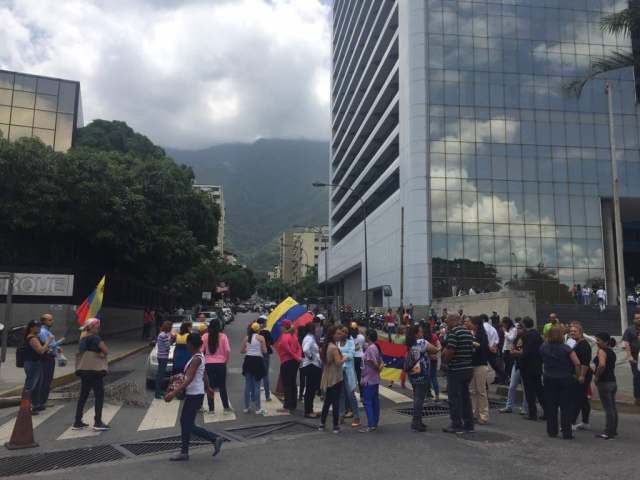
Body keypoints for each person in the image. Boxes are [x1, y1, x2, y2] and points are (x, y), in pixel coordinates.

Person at [164, 333, 223, 461]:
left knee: (187, 424)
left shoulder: (196, 358)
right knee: (186, 422)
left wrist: (173, 393)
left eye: (187, 343)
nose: (186, 345)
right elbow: (204, 374)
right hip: (196, 394)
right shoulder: (198, 356)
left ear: (191, 344)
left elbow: (190, 378)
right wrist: (208, 388)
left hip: (194, 395)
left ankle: (214, 438)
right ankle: (185, 452)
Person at [540, 326, 582, 439]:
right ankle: (566, 432)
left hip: (549, 378)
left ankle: (552, 431)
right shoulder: (566, 348)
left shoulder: (544, 347)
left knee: (551, 406)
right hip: (565, 378)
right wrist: (577, 375)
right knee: (565, 407)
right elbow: (577, 363)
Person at [73, 318, 110, 431]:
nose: (98, 329)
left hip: (84, 370)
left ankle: (77, 421)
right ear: (91, 327)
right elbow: (106, 350)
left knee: (83, 395)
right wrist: (101, 354)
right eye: (97, 326)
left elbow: (81, 352)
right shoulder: (96, 338)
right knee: (99, 395)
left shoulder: (82, 338)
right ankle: (97, 422)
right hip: (95, 371)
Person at [442, 313, 474, 433]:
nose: (446, 323)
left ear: (453, 320)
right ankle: (468, 423)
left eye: (448, 321)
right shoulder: (467, 332)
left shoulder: (453, 333)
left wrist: (445, 362)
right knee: (466, 397)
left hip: (456, 370)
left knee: (454, 397)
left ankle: (456, 424)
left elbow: (450, 351)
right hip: (468, 369)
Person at [405, 324, 439, 431]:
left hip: (413, 374)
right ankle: (416, 422)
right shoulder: (422, 342)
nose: (422, 333)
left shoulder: (411, 344)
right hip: (422, 374)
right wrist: (439, 346)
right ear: (416, 334)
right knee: (419, 399)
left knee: (417, 397)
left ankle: (417, 420)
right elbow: (434, 350)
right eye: (420, 331)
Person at [318, 326, 346, 433]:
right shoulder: (333, 348)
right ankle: (335, 425)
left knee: (327, 401)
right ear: (332, 335)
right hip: (335, 377)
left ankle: (322, 423)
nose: (340, 335)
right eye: (338, 334)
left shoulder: (326, 346)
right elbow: (338, 363)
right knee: (335, 402)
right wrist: (345, 358)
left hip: (328, 376)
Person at [201, 319, 232, 414]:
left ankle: (211, 409)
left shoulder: (205, 336)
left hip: (208, 364)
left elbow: (201, 350)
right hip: (221, 364)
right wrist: (225, 360)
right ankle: (226, 408)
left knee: (210, 387)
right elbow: (227, 350)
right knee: (222, 386)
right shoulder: (223, 336)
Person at [36, 313, 64, 411]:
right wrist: (59, 342)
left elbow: (51, 345)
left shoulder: (47, 331)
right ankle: (41, 402)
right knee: (45, 381)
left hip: (50, 358)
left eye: (52, 319)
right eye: (49, 320)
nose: (52, 321)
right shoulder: (43, 332)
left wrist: (58, 347)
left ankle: (43, 401)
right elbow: (47, 345)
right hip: (46, 358)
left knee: (47, 380)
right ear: (43, 321)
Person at [519, 316, 545, 421]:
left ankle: (532, 413)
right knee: (539, 390)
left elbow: (526, 352)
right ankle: (547, 411)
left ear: (524, 325)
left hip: (528, 367)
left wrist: (518, 353)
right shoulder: (537, 335)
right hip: (537, 366)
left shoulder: (527, 336)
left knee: (530, 391)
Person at [22, 320, 50, 414]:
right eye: (36, 326)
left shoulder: (35, 337)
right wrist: (48, 341)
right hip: (32, 364)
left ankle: (36, 405)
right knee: (30, 386)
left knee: (37, 385)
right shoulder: (32, 338)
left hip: (36, 363)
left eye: (39, 326)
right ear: (31, 328)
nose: (38, 328)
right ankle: (26, 407)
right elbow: (40, 351)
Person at [500, 321, 529, 415]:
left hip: (524, 365)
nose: (517, 330)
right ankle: (509, 406)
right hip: (516, 363)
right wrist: (514, 351)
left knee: (525, 388)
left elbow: (525, 352)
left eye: (519, 328)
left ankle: (525, 408)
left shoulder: (527, 338)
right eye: (517, 328)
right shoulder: (516, 338)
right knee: (512, 386)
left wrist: (516, 352)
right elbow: (512, 348)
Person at [593, 332, 618, 439]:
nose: (597, 343)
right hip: (612, 381)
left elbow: (602, 365)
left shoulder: (602, 351)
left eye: (599, 341)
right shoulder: (611, 352)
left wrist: (597, 376)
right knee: (612, 407)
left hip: (604, 382)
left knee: (608, 408)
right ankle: (613, 429)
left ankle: (608, 432)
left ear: (606, 342)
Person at [274, 320, 302, 413]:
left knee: (287, 384)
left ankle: (287, 406)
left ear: (285, 327)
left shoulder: (285, 337)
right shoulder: (293, 335)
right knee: (292, 383)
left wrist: (295, 356)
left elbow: (288, 350)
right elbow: (299, 348)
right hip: (294, 362)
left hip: (287, 361)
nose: (280, 327)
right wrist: (298, 356)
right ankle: (293, 404)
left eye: (281, 326)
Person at [569, 322, 592, 431]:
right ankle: (585, 422)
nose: (572, 333)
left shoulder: (584, 345)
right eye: (571, 331)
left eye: (575, 331)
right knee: (583, 399)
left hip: (582, 375)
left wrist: (581, 376)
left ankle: (571, 422)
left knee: (577, 398)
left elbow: (585, 363)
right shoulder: (576, 343)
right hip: (577, 374)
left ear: (581, 333)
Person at [240, 322, 267, 415]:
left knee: (247, 385)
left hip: (248, 360)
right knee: (257, 385)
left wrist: (249, 349)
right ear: (258, 329)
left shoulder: (247, 338)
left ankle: (246, 407)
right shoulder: (261, 338)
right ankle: (258, 408)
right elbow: (265, 351)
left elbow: (242, 351)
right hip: (257, 361)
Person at [359, 329, 382, 433]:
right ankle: (374, 423)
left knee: (368, 402)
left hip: (369, 379)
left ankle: (371, 424)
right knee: (374, 401)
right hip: (373, 378)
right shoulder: (374, 347)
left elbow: (374, 363)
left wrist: (378, 368)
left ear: (368, 337)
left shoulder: (371, 349)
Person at [337, 325, 361, 427]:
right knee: (341, 395)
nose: (344, 334)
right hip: (339, 371)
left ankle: (356, 417)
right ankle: (341, 416)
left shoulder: (351, 343)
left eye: (346, 332)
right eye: (342, 331)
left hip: (348, 372)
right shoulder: (337, 343)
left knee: (351, 394)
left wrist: (342, 358)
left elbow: (351, 355)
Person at [468, 316, 490, 425]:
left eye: (470, 322)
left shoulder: (482, 334)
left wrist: (472, 342)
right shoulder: (472, 333)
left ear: (476, 324)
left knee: (481, 391)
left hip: (480, 365)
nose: (469, 324)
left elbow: (483, 348)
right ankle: (474, 414)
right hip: (471, 364)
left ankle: (483, 416)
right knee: (472, 391)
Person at [301, 322, 322, 418]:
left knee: (311, 389)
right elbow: (305, 349)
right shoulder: (309, 338)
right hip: (311, 366)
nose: (317, 329)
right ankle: (308, 411)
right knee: (310, 389)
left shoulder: (310, 337)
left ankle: (310, 410)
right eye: (315, 328)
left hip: (312, 365)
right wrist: (311, 357)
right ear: (312, 329)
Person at [621, 313, 640, 406]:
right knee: (637, 376)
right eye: (636, 318)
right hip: (635, 357)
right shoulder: (630, 330)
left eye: (639, 318)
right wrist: (629, 356)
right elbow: (626, 343)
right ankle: (637, 397)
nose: (638, 320)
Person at [482, 314, 504, 384]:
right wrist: (494, 346)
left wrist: (489, 346)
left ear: (482, 319)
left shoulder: (483, 327)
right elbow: (497, 339)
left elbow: (485, 338)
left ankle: (485, 383)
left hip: (486, 349)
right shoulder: (492, 328)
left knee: (483, 366)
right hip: (493, 349)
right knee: (495, 365)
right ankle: (503, 378)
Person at [423, 322, 441, 401]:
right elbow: (440, 346)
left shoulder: (422, 338)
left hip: (425, 360)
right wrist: (435, 352)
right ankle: (437, 395)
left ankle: (428, 394)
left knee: (426, 377)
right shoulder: (434, 336)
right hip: (434, 359)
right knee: (434, 377)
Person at [257, 316, 273, 402]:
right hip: (265, 354)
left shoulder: (254, 333)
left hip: (257, 355)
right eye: (266, 321)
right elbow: (272, 342)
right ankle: (267, 396)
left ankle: (254, 395)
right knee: (265, 375)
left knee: (257, 375)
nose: (267, 323)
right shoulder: (267, 332)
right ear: (262, 323)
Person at [155, 321, 173, 399]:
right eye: (170, 327)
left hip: (160, 356)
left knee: (160, 374)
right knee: (160, 375)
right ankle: (158, 393)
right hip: (163, 357)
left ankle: (159, 391)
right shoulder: (164, 335)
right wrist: (171, 339)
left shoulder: (161, 334)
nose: (171, 328)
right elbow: (168, 347)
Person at [350, 322, 365, 397]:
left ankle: (351, 396)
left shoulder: (349, 338)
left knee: (352, 377)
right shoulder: (361, 337)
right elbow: (364, 346)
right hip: (360, 357)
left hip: (352, 358)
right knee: (360, 377)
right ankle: (362, 395)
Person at [501, 317, 516, 384]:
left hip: (511, 350)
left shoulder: (514, 329)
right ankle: (507, 379)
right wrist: (503, 349)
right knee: (506, 365)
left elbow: (511, 338)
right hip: (506, 350)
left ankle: (511, 379)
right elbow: (506, 341)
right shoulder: (508, 330)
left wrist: (505, 332)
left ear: (507, 323)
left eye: (504, 323)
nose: (503, 325)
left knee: (510, 365)